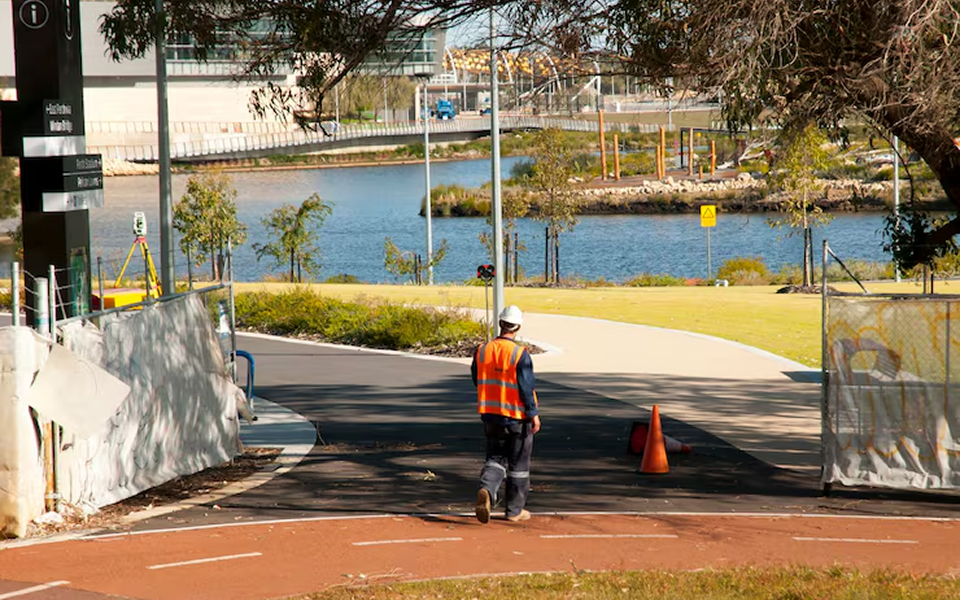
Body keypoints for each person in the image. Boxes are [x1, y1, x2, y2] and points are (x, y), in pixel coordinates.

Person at [470, 305, 541, 523]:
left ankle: (487, 489)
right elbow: (526, 388)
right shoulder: (519, 354)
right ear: (517, 327)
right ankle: (514, 510)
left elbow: (476, 378)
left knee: (495, 458)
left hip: (490, 415)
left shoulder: (482, 350)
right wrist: (533, 414)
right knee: (518, 465)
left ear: (500, 323)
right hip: (516, 417)